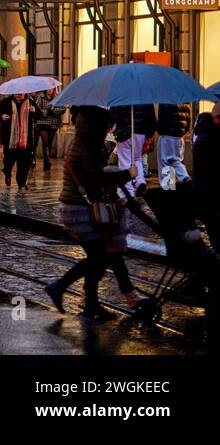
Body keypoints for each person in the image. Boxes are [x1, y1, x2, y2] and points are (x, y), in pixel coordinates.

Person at [46, 106, 143, 320]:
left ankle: (90, 304)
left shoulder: (83, 143)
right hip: (79, 209)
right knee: (99, 257)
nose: (108, 128)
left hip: (79, 207)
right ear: (96, 127)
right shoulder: (87, 147)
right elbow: (96, 178)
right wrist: (127, 174)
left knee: (99, 257)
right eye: (105, 125)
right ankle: (59, 287)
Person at [0, 92, 35, 190]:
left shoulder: (30, 102)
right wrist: (1, 116)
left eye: (21, 93)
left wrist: (34, 111)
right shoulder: (6, 102)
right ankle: (8, 174)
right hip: (10, 139)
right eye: (17, 93)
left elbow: (38, 116)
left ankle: (21, 183)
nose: (19, 95)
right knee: (8, 161)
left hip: (25, 140)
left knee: (24, 162)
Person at [155, 102, 190, 190]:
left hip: (167, 135)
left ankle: (169, 186)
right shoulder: (185, 101)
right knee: (176, 160)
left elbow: (162, 120)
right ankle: (184, 178)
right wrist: (183, 132)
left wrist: (158, 129)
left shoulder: (165, 101)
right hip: (179, 136)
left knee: (165, 161)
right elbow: (188, 120)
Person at [32, 89, 60, 171]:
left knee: (49, 143)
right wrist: (47, 111)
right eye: (48, 88)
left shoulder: (58, 97)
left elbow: (62, 108)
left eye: (51, 88)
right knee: (46, 141)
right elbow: (37, 109)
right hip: (42, 122)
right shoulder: (41, 97)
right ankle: (47, 161)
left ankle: (47, 160)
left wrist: (54, 111)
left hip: (54, 123)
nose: (50, 90)